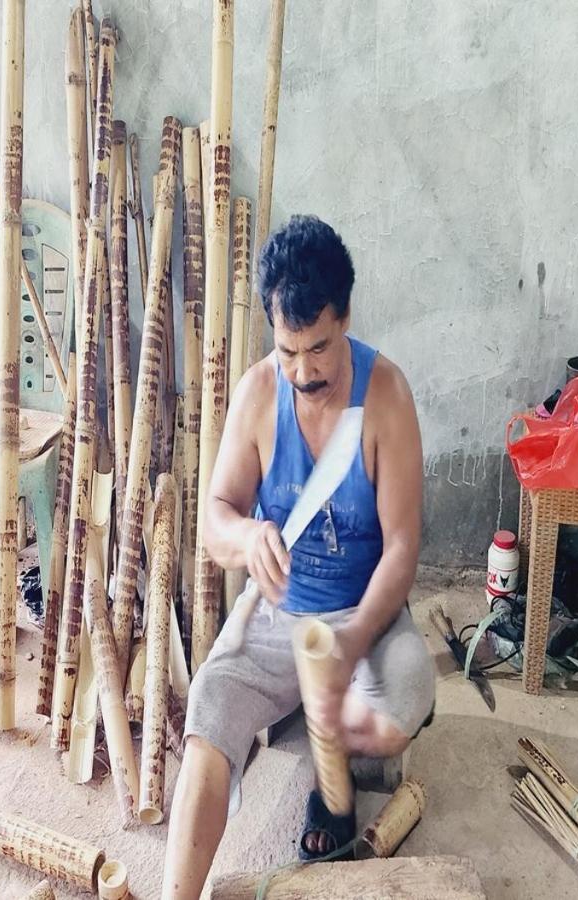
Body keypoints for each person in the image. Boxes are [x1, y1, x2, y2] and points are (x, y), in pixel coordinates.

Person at [161, 215, 435, 898]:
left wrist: (353, 640)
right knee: (210, 707)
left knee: (404, 702)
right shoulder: (258, 394)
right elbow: (216, 518)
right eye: (288, 351)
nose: (304, 371)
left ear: (345, 317)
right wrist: (248, 538)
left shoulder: (387, 396)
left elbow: (403, 549)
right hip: (280, 613)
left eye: (319, 348)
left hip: (363, 612)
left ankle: (330, 766)